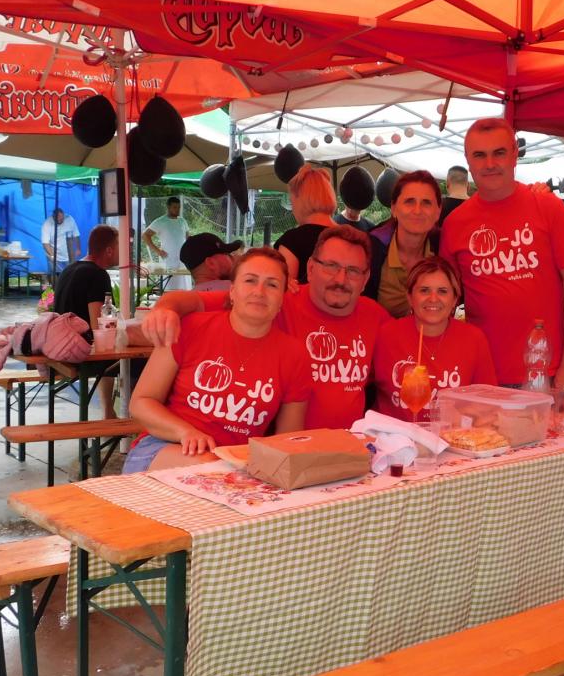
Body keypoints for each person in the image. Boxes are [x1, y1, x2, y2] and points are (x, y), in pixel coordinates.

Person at [144, 225, 389, 430]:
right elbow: (197, 301)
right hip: (284, 443)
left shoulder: (376, 318)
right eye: (331, 266)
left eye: (353, 271)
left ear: (366, 279)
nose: (340, 279)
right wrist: (165, 308)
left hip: (350, 448)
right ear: (311, 268)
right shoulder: (277, 301)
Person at [438, 118, 564, 388]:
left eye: (498, 153)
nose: (489, 164)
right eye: (479, 155)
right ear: (468, 161)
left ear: (514, 154)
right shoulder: (454, 224)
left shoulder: (548, 207)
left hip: (542, 373)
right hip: (480, 375)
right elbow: (444, 301)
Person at [126, 248, 310, 473]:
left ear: (282, 298)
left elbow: (287, 439)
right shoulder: (189, 327)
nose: (259, 292)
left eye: (272, 285)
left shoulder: (295, 355)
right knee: (210, 466)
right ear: (232, 291)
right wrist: (185, 432)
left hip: (236, 464)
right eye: (250, 281)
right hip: (166, 446)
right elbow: (141, 402)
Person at [372, 257, 496, 420]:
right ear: (409, 297)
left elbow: (488, 404)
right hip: (393, 434)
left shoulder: (474, 339)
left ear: (455, 299)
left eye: (442, 291)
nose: (433, 298)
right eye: (424, 290)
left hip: (451, 434)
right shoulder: (386, 335)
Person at [53, 225, 121, 417]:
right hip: (80, 355)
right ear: (109, 250)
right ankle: (116, 413)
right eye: (120, 247)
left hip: (58, 349)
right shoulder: (98, 275)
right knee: (132, 361)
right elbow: (98, 324)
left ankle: (109, 411)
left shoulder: (69, 269)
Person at [364, 170, 442, 317]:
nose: (417, 210)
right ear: (394, 208)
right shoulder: (371, 249)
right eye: (409, 201)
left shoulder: (443, 248)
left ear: (438, 212)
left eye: (426, 203)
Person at [275, 164, 336, 285]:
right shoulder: (351, 237)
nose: (293, 210)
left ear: (299, 201)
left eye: (292, 202)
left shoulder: (292, 241)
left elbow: (282, 289)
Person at [143, 196, 190, 280]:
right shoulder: (160, 221)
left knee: (184, 284)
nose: (177, 209)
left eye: (179, 207)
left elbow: (188, 238)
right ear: (168, 207)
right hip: (168, 260)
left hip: (183, 260)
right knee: (169, 284)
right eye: (175, 207)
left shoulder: (182, 221)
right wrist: (157, 251)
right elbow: (145, 235)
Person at [41, 207, 80, 274]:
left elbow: (76, 235)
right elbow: (45, 243)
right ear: (53, 216)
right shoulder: (47, 224)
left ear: (63, 215)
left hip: (69, 252)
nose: (59, 220)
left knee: (72, 273)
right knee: (56, 274)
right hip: (53, 252)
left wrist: (78, 248)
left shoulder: (69, 219)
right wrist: (52, 255)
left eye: (61, 219)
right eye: (57, 219)